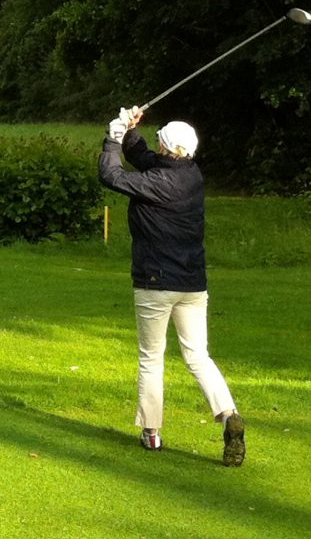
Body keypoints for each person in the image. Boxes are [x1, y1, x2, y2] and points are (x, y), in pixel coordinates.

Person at [98, 105, 246, 466]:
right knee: (198, 355)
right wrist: (131, 131)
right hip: (193, 285)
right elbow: (144, 157)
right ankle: (228, 415)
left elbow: (111, 175)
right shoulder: (190, 174)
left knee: (152, 358)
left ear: (166, 148)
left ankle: (151, 433)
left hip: (155, 282)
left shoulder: (156, 184)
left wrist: (112, 138)